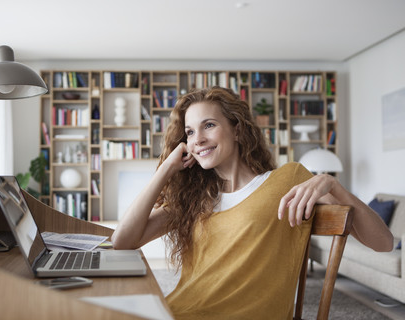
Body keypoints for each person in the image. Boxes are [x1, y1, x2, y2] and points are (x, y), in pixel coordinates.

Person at [111, 86, 393, 319]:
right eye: (190, 132)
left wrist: (332, 185)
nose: (198, 140)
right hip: (178, 311)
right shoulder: (194, 198)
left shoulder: (288, 180)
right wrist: (166, 169)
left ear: (237, 129)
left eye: (209, 125)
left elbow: (383, 243)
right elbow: (122, 240)